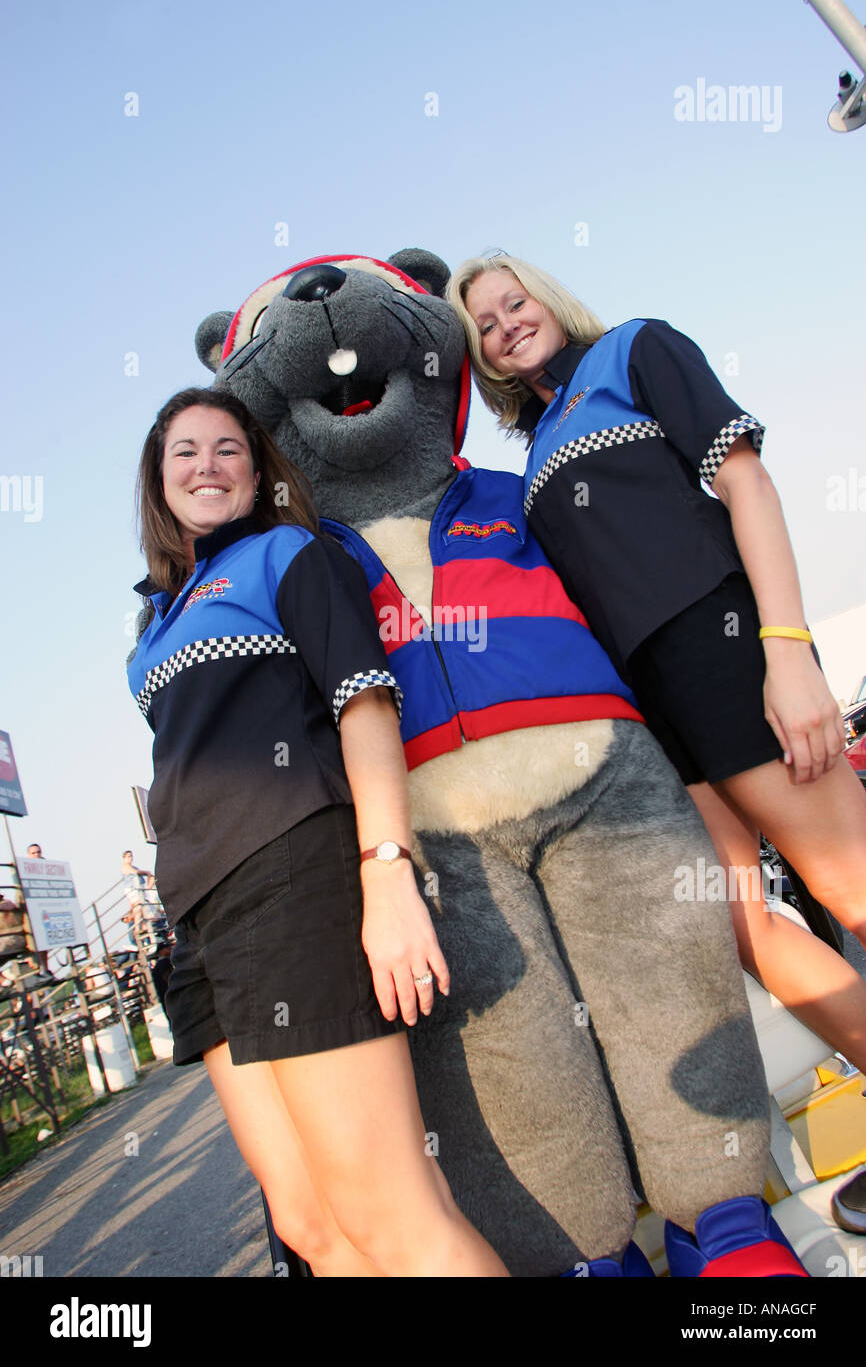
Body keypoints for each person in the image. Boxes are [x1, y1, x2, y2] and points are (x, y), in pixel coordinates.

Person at [449, 252, 866, 1073]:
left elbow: (747, 484)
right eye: (485, 328)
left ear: (549, 296)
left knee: (848, 882)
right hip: (647, 705)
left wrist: (786, 652)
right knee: (743, 924)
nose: (506, 328)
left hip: (725, 647)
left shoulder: (635, 350)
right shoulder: (530, 459)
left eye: (514, 302)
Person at [127, 384, 506, 1277]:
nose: (207, 465)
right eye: (185, 451)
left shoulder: (286, 555)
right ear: (159, 481)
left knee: (395, 1220)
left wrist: (386, 869)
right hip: (197, 928)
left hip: (291, 877)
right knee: (310, 1227)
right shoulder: (150, 627)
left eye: (228, 449)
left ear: (258, 476)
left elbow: (365, 705)